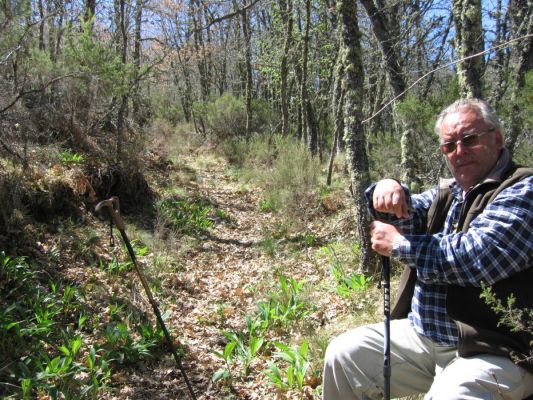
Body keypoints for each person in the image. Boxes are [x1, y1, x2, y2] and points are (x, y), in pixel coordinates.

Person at [322, 98, 533, 400]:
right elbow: (406, 212)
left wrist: (399, 245)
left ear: (496, 138)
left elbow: (476, 258)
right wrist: (387, 188)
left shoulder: (523, 190)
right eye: (449, 146)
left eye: (469, 140)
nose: (459, 152)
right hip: (425, 337)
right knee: (344, 355)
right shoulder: (449, 193)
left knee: (453, 393)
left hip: (497, 348)